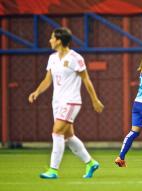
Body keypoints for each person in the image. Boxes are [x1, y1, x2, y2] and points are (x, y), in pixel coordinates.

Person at [28, 27, 104, 179]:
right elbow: (47, 80)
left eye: (52, 38)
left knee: (57, 132)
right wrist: (37, 91)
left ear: (59, 40)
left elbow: (86, 80)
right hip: (57, 102)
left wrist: (95, 99)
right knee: (68, 137)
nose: (50, 40)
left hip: (71, 101)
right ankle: (90, 163)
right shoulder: (52, 58)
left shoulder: (76, 58)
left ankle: (53, 170)